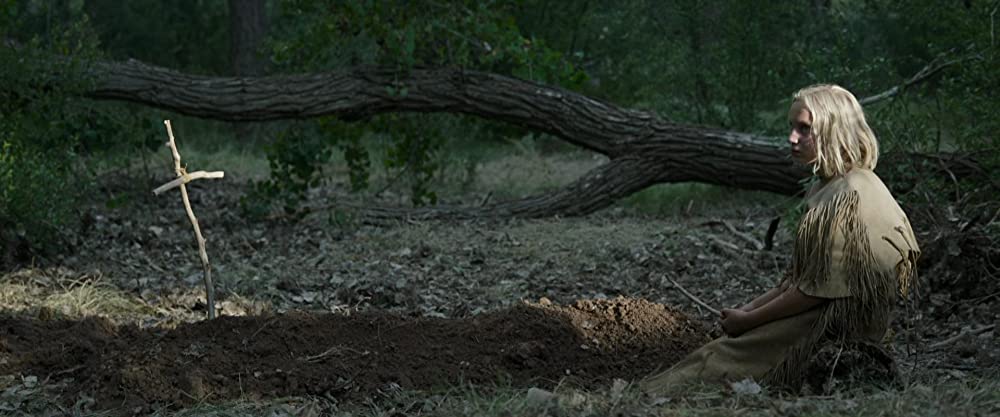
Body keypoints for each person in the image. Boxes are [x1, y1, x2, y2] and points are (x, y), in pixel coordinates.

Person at [641, 84, 921, 393]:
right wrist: (748, 311)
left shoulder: (850, 196)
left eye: (805, 128)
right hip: (819, 310)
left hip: (837, 328)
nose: (792, 137)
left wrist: (749, 321)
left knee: (719, 358)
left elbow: (815, 294)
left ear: (834, 131)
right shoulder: (827, 185)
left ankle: (643, 397)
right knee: (723, 345)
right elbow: (801, 280)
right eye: (792, 127)